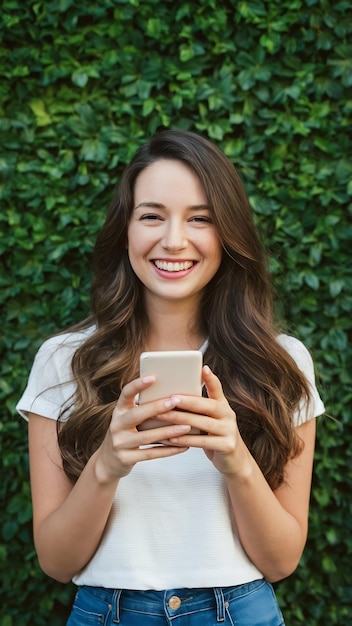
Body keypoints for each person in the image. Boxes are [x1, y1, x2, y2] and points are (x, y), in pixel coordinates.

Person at [17, 129, 325, 626]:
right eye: (152, 216)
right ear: (126, 231)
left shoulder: (281, 363)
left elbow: (280, 561)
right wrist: (107, 464)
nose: (174, 239)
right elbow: (56, 562)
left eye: (200, 218)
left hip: (240, 611)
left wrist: (235, 460)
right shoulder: (64, 361)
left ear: (227, 234)